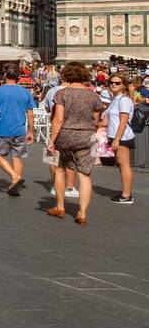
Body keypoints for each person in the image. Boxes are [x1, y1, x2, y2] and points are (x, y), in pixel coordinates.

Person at [45, 62, 103, 225]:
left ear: (67, 75)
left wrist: (51, 140)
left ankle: (60, 206)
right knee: (85, 175)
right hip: (87, 136)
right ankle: (82, 213)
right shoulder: (94, 95)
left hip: (66, 134)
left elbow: (58, 119)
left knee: (59, 169)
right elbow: (96, 119)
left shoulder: (62, 94)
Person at [0, 64, 34, 197]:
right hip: (20, 129)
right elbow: (30, 113)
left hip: (3, 129)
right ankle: (14, 183)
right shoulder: (25, 92)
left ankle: (14, 176)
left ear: (5, 75)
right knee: (17, 157)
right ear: (18, 77)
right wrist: (31, 131)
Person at [106, 73, 136, 204]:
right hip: (115, 135)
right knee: (121, 164)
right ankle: (125, 191)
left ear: (123, 85)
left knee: (124, 165)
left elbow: (123, 121)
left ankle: (126, 195)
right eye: (112, 82)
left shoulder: (124, 99)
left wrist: (117, 139)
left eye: (117, 83)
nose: (113, 84)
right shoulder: (116, 98)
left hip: (122, 136)